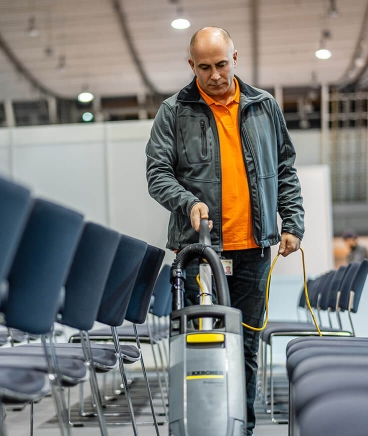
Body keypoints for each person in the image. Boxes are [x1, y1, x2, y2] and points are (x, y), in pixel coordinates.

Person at [146, 26, 304, 435]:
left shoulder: (264, 107)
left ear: (235, 59)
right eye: (204, 67)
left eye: (221, 64)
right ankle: (208, 424)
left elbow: (284, 169)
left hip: (253, 249)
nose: (214, 75)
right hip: (200, 253)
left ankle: (242, 427)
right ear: (191, 66)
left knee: (247, 345)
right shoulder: (173, 112)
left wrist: (293, 223)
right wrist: (189, 202)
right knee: (207, 343)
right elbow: (157, 174)